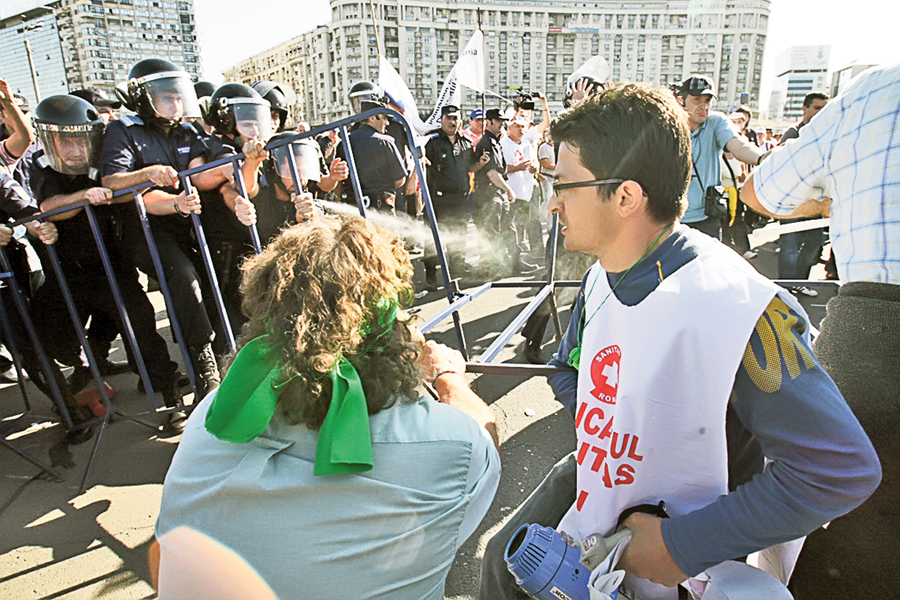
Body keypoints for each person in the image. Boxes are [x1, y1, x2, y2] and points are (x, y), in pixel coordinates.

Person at [479, 84, 880, 600]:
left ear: (626, 196)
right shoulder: (601, 276)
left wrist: (682, 543)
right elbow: (566, 367)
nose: (553, 202)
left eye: (566, 184)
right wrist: (615, 422)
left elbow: (839, 469)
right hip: (598, 528)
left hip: (681, 574)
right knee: (499, 563)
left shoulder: (740, 306)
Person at [153, 215, 500, 599]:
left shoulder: (213, 416)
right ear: (393, 325)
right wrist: (446, 376)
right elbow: (485, 438)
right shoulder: (449, 445)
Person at [741, 63, 899, 599]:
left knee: (831, 545)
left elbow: (760, 191)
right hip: (872, 339)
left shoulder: (876, 91)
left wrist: (840, 197)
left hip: (874, 339)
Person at [27, 94, 181, 409]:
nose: (73, 151)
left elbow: (122, 190)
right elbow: (48, 208)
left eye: (79, 142)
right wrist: (85, 195)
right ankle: (87, 365)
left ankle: (167, 394)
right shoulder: (41, 163)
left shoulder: (105, 159)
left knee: (140, 325)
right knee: (48, 331)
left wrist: (140, 178)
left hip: (111, 265)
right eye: (63, 143)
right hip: (67, 270)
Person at [99, 58, 235, 401]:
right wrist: (147, 174)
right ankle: (203, 364)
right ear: (143, 97)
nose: (175, 104)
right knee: (183, 277)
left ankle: (224, 357)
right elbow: (112, 181)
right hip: (144, 228)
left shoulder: (188, 131)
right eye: (166, 97)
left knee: (213, 281)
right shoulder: (122, 130)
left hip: (187, 222)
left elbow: (200, 175)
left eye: (179, 97)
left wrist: (239, 163)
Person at [675, 75, 767, 240]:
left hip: (707, 218)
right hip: (672, 218)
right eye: (697, 100)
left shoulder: (716, 122)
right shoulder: (668, 124)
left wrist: (763, 158)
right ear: (682, 101)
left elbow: (739, 146)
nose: (703, 106)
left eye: (708, 100)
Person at [422, 105, 485, 290]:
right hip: (438, 200)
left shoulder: (465, 142)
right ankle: (431, 276)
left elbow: (470, 167)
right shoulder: (432, 142)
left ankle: (457, 271)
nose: (452, 121)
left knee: (459, 236)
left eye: (456, 118)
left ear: (461, 121)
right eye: (448, 118)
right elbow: (422, 162)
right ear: (441, 119)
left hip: (459, 200)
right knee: (434, 238)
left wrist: (479, 164)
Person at [775, 91, 830, 298]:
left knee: (814, 243)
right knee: (789, 245)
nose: (820, 113)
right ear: (805, 109)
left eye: (824, 109)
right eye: (817, 108)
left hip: (816, 202)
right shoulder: (793, 134)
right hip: (792, 202)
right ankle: (785, 287)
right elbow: (779, 165)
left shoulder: (826, 135)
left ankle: (798, 282)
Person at [473, 108, 533, 276]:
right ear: (489, 122)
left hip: (498, 193)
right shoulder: (486, 143)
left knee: (509, 230)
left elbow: (501, 168)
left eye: (502, 120)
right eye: (498, 121)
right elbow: (492, 173)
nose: (501, 123)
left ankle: (516, 264)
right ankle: (486, 268)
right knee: (491, 232)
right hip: (489, 193)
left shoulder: (496, 141)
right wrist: (509, 190)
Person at [500, 95, 551, 266]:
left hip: (529, 191)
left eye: (523, 127)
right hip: (512, 192)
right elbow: (501, 170)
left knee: (532, 222)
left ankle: (536, 254)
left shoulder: (528, 143)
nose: (521, 129)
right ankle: (516, 259)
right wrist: (518, 167)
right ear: (509, 127)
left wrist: (535, 168)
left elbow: (534, 161)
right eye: (517, 126)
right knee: (513, 227)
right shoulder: (502, 144)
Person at [336, 99, 408, 213]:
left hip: (352, 206)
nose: (387, 123)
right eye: (384, 118)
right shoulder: (386, 141)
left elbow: (338, 180)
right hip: (381, 207)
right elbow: (400, 179)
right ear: (372, 118)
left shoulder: (344, 142)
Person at [0, 80, 35, 175]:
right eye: (12, 111)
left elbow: (24, 137)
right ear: (1, 115)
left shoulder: (43, 144)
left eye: (24, 112)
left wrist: (9, 102)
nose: (21, 117)